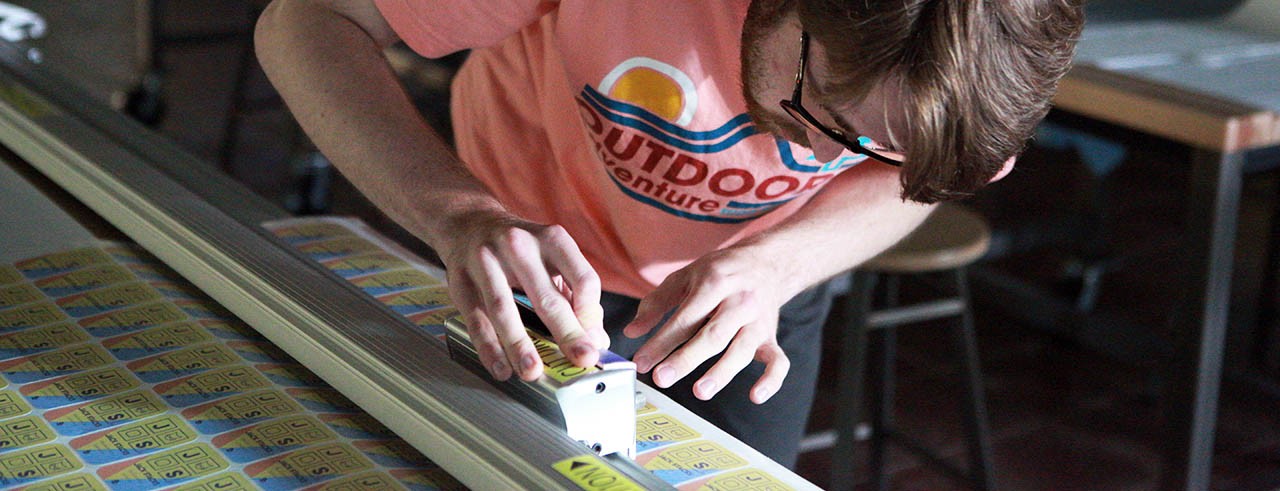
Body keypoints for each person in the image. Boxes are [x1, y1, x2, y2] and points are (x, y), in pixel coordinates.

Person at [255, 0, 1085, 467]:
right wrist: (459, 213)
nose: (823, 158)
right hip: (522, 256)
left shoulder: (986, 56)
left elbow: (908, 184)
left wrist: (778, 261)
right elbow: (305, 24)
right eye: (821, 117)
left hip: (754, 291)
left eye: (876, 145)